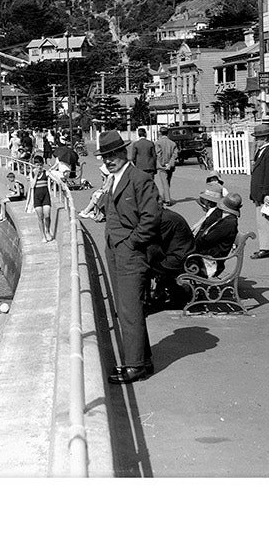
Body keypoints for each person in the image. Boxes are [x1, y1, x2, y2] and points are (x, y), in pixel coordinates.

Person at [96, 129, 162, 383]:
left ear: (124, 152)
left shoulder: (139, 178)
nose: (108, 160)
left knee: (129, 309)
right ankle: (142, 359)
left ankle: (135, 365)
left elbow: (151, 218)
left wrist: (131, 243)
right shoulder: (115, 178)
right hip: (116, 249)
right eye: (105, 156)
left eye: (113, 154)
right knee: (126, 308)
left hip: (130, 252)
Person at [146, 206, 196, 310]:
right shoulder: (165, 215)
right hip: (181, 253)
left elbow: (156, 241)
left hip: (181, 258)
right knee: (151, 261)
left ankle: (152, 298)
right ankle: (164, 293)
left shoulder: (166, 220)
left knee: (146, 265)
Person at [248, 124, 269, 258]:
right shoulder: (262, 152)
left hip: (266, 194)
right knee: (263, 219)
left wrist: (265, 194)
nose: (256, 141)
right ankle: (267, 246)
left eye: (258, 138)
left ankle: (266, 248)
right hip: (261, 194)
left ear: (264, 138)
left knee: (264, 220)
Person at [191, 189, 240, 277]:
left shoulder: (228, 223)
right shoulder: (227, 219)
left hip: (209, 262)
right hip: (209, 257)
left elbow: (206, 240)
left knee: (176, 259)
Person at [26, 154, 54, 242]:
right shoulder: (31, 173)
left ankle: (48, 231)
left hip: (45, 195)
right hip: (37, 197)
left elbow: (54, 178)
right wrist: (36, 175)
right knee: (40, 217)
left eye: (40, 165)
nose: (39, 167)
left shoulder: (46, 172)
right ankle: (43, 235)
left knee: (47, 215)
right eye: (37, 165)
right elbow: (32, 185)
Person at [127, 127, 159, 194]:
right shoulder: (150, 143)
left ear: (138, 134)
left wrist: (137, 164)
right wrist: (154, 166)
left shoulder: (136, 144)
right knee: (150, 183)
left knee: (141, 183)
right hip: (150, 167)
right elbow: (154, 156)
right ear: (145, 134)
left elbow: (133, 157)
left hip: (140, 167)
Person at [154, 130, 178, 204]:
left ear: (160, 134)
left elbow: (158, 154)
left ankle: (167, 200)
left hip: (162, 166)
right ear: (168, 133)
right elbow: (175, 155)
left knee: (164, 183)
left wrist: (163, 163)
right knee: (168, 182)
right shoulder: (173, 143)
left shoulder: (157, 143)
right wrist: (170, 164)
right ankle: (165, 197)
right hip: (170, 166)